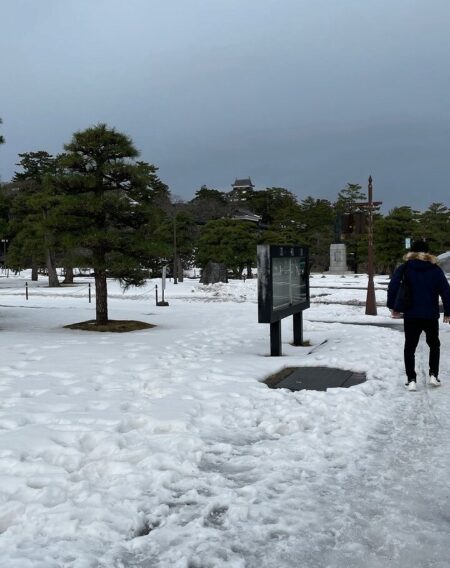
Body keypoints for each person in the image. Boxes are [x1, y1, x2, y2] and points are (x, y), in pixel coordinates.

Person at [387, 239, 450, 391]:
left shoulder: (404, 268)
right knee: (434, 345)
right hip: (430, 315)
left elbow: (393, 286)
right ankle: (433, 375)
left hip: (411, 315)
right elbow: (446, 291)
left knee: (410, 347)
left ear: (412, 253)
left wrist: (393, 307)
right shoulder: (435, 270)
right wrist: (448, 311)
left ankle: (411, 380)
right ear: (427, 253)